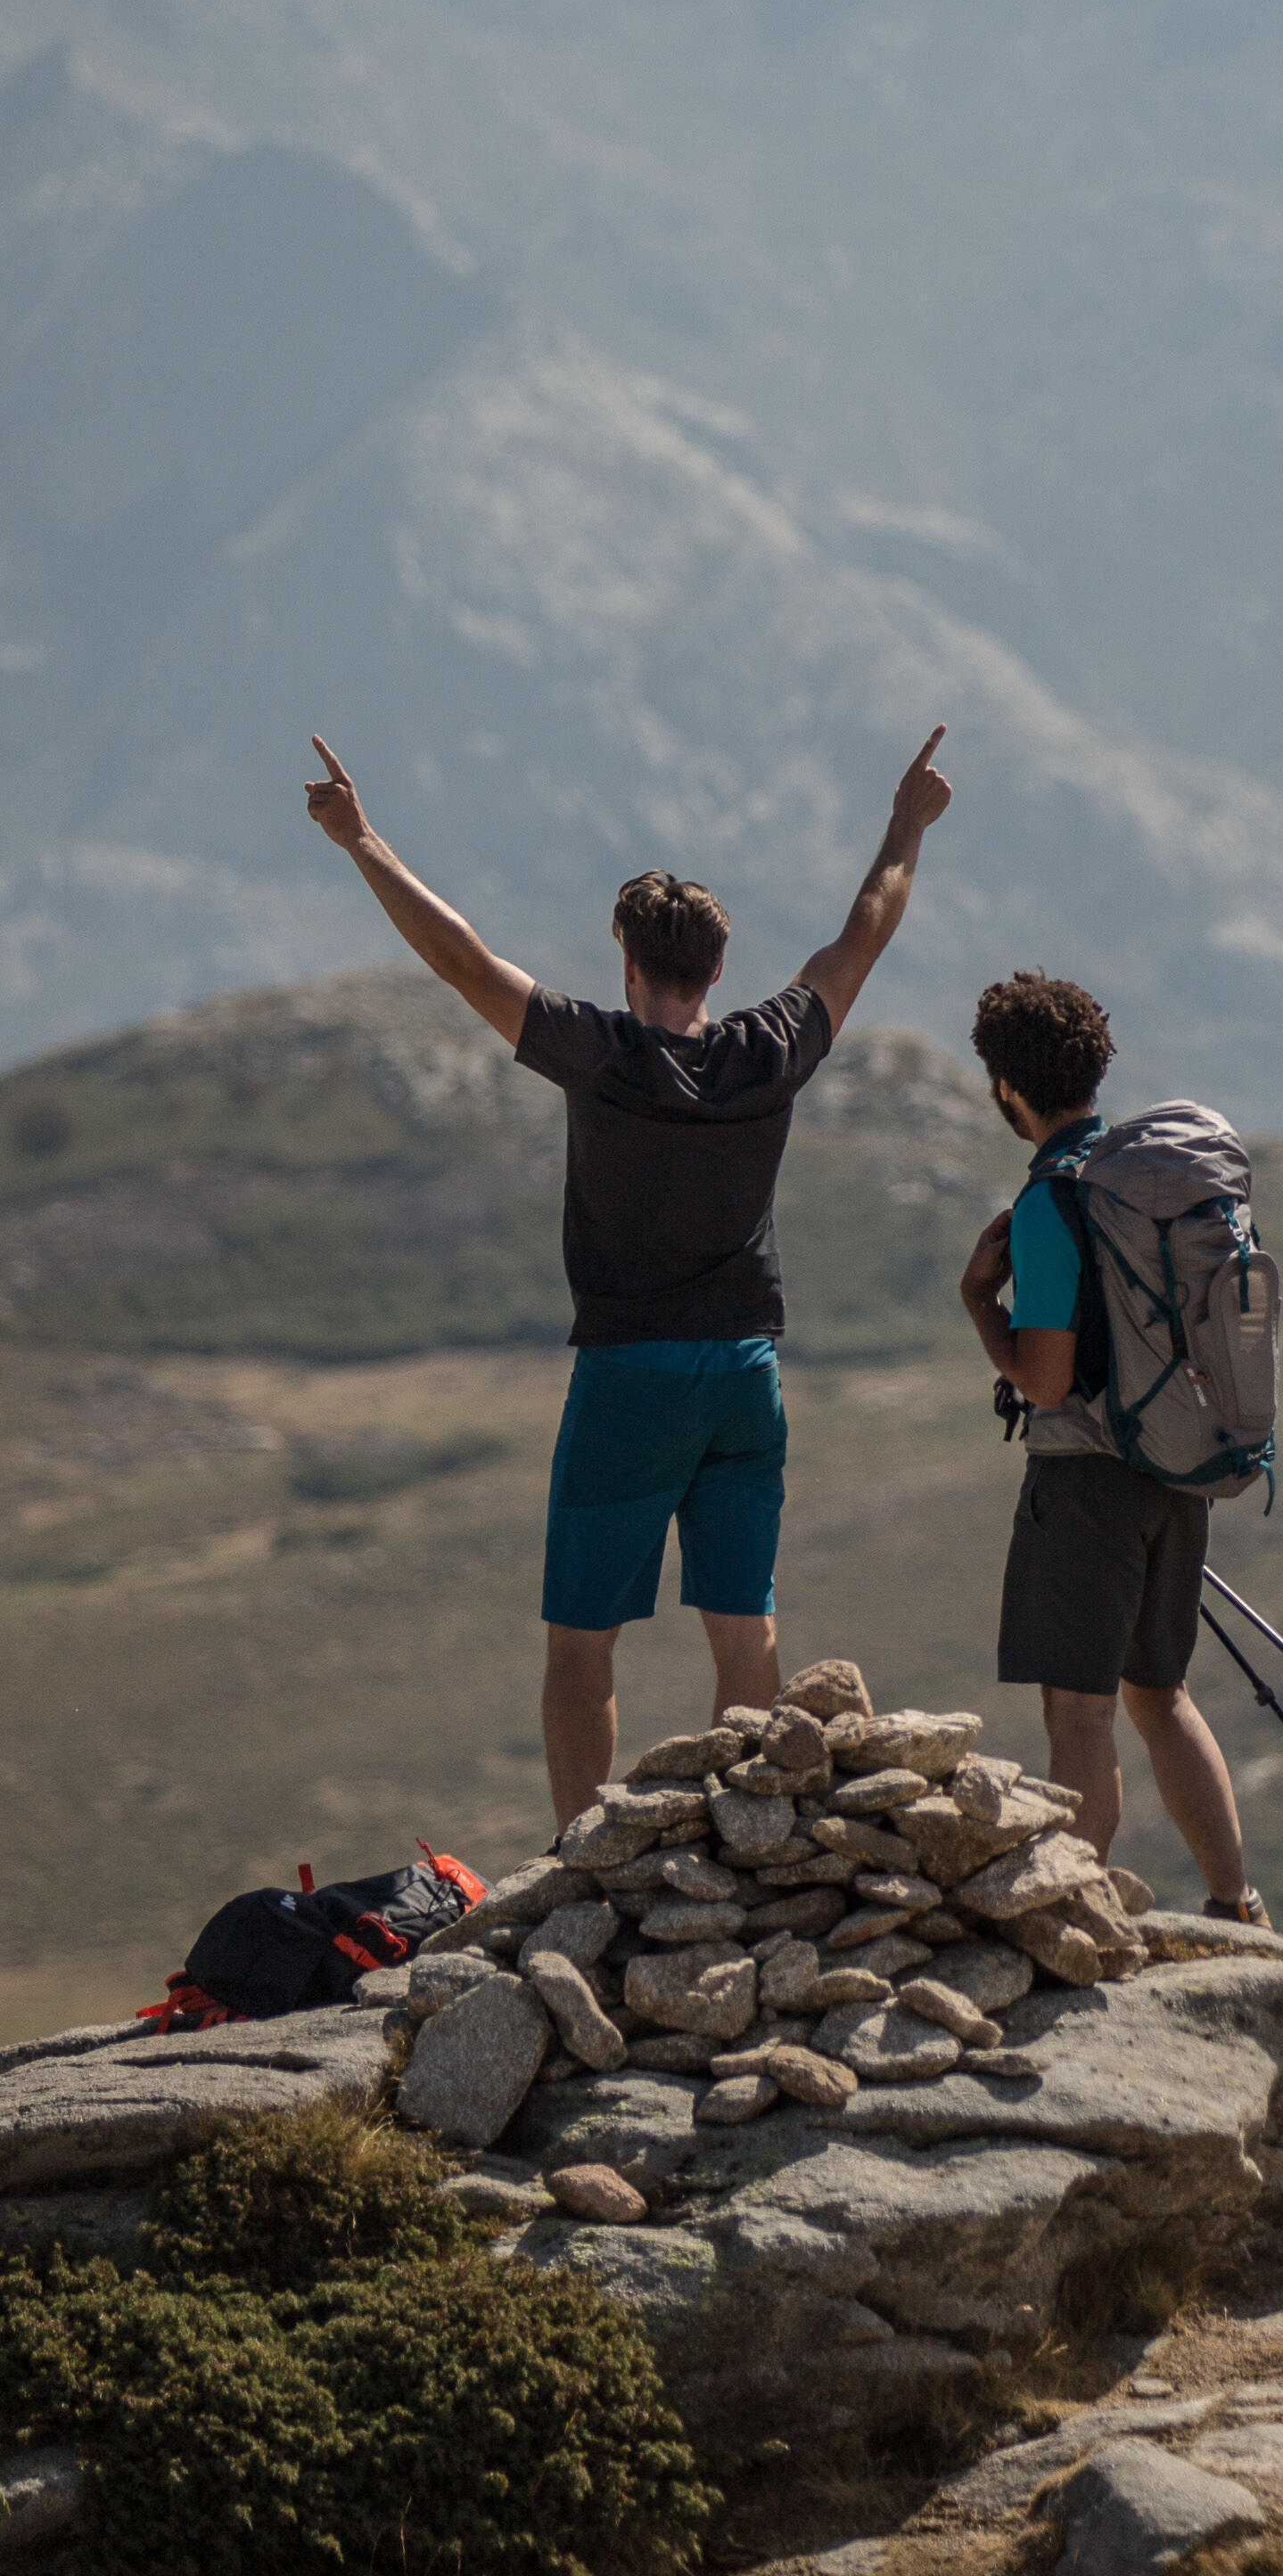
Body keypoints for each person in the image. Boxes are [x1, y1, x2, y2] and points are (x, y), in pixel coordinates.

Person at [303, 727, 954, 1828]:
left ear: (628, 966)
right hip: (747, 1373)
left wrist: (359, 838)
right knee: (744, 1631)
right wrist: (907, 821)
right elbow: (864, 931)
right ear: (716, 969)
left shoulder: (597, 1053)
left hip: (630, 1379)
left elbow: (462, 960)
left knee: (582, 1644)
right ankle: (750, 1847)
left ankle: (576, 1860)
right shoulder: (771, 1047)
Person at [960, 969, 1264, 1926]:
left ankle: (1075, 1921)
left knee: (1079, 1713)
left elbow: (1046, 1380)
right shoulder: (1143, 1186)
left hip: (1086, 1482)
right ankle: (1234, 1902)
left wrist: (980, 1305)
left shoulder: (1055, 1201)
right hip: (1175, 1464)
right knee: (1160, 1696)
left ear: (1006, 1087)